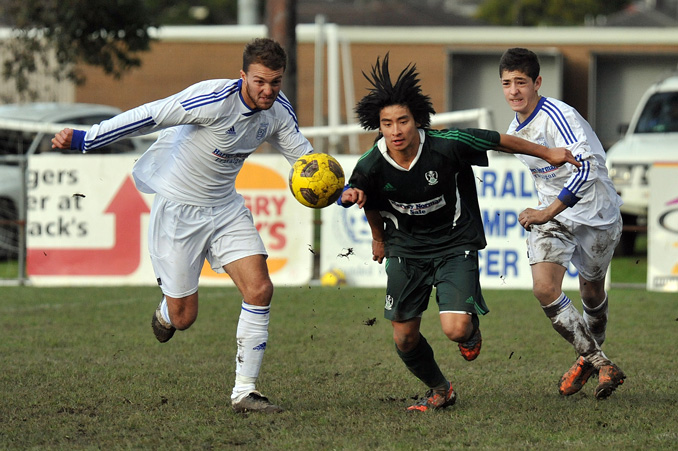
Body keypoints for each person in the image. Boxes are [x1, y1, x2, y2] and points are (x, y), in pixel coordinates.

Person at [51, 38, 315, 413]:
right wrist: (86, 139)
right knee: (183, 318)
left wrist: (341, 190)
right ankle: (166, 310)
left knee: (260, 289)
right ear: (242, 76)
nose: (268, 91)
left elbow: (305, 161)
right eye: (259, 81)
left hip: (225, 208)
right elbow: (151, 115)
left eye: (275, 82)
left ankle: (245, 392)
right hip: (178, 210)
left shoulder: (278, 110)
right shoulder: (212, 99)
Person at [339, 54, 580, 412]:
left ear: (417, 120)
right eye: (387, 124)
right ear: (379, 126)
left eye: (403, 121)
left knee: (455, 329)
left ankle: (470, 330)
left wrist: (548, 153)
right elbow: (366, 198)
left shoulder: (447, 144)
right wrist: (373, 231)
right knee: (404, 337)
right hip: (406, 249)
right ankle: (440, 389)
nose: (396, 131)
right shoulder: (371, 164)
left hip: (454, 244)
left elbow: (499, 140)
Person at [498, 47, 626, 399]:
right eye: (506, 83)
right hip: (554, 217)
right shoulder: (514, 130)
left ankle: (588, 361)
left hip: (596, 214)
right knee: (544, 288)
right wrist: (547, 213)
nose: (513, 91)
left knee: (591, 292)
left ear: (537, 82)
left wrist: (546, 211)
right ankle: (599, 362)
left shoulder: (558, 116)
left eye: (521, 82)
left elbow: (586, 169)